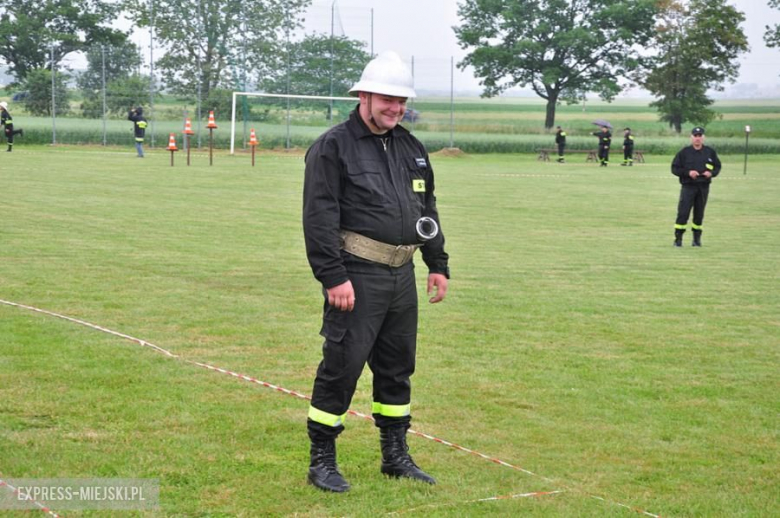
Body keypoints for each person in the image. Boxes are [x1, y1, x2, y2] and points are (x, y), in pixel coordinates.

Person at [302, 51, 450, 493]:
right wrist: (333, 276)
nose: (396, 107)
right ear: (364, 95)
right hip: (356, 275)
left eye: (402, 100)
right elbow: (319, 216)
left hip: (402, 276)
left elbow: (428, 208)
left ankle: (395, 456)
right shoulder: (333, 146)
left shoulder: (410, 145)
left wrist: (436, 263)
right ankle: (322, 461)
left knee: (397, 367)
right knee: (342, 366)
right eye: (388, 99)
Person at [671, 127, 721, 247]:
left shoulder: (710, 152)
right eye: (695, 136)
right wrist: (688, 173)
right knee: (683, 213)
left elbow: (717, 166)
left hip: (703, 187)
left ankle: (696, 240)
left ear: (703, 137)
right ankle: (678, 239)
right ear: (691, 137)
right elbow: (674, 168)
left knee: (699, 214)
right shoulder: (684, 152)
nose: (697, 138)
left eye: (700, 136)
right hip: (688, 187)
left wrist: (711, 173)